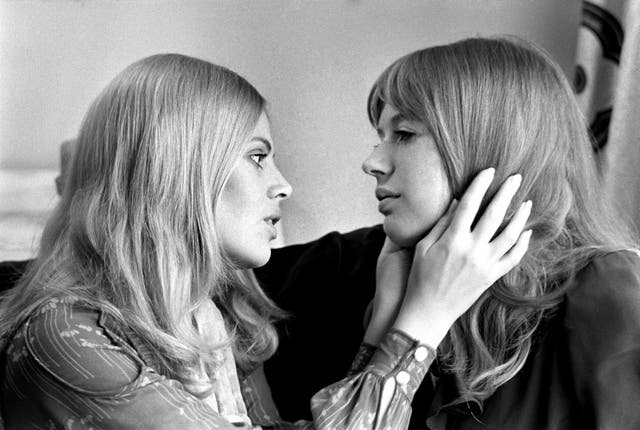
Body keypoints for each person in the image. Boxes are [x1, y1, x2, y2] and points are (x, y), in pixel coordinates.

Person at [0, 53, 526, 429]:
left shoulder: (206, 316)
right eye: (257, 156)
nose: (283, 184)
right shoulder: (63, 335)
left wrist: (387, 318)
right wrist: (420, 326)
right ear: (178, 171)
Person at [258, 37, 640, 429]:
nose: (371, 162)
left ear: (491, 142)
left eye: (404, 134)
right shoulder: (363, 261)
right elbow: (212, 280)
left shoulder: (605, 291)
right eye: (379, 136)